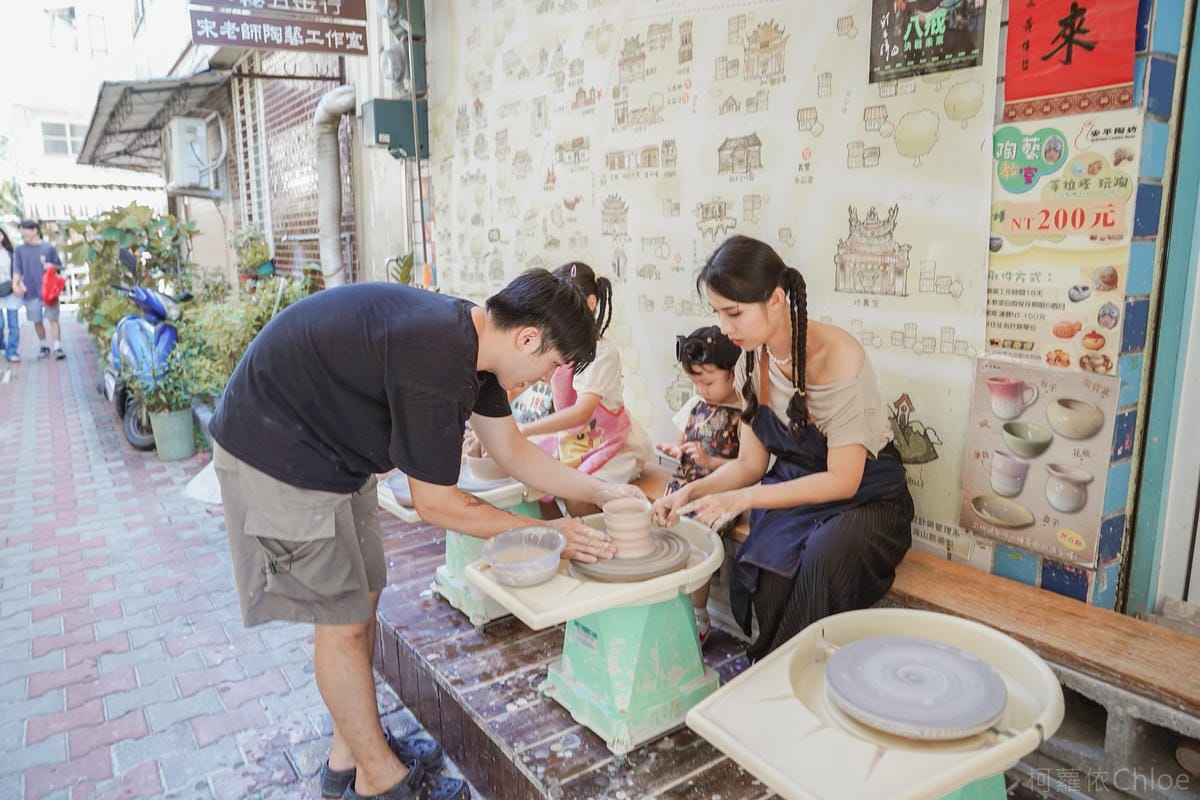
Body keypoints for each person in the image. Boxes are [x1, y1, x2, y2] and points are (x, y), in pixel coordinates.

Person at [209, 270, 643, 800]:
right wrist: (547, 534)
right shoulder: (438, 359)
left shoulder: (477, 347)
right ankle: (379, 781)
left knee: (364, 596)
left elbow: (512, 450)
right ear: (528, 338)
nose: (545, 379)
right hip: (276, 451)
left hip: (330, 451)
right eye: (552, 365)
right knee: (341, 623)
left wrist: (602, 492)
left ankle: (350, 756)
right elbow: (436, 503)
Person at [652, 236, 913, 662]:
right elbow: (750, 464)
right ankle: (775, 666)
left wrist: (743, 499)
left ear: (775, 299)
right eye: (718, 313)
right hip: (797, 485)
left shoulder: (839, 358)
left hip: (869, 496)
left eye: (734, 313)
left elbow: (843, 481)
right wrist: (688, 493)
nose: (724, 328)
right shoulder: (750, 360)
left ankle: (802, 675)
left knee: (821, 558)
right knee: (771, 562)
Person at [518, 261, 651, 516]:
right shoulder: (559, 349)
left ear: (590, 303)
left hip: (610, 444)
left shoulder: (603, 354)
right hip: (571, 442)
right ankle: (561, 533)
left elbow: (581, 413)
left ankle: (588, 533)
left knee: (577, 495)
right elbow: (523, 379)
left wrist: (525, 429)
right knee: (531, 481)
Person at [656, 325, 742, 643]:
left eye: (708, 382)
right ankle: (668, 603)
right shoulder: (696, 405)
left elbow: (748, 467)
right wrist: (674, 449)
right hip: (683, 483)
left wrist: (710, 462)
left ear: (734, 373)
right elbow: (682, 440)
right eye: (696, 383)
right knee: (665, 533)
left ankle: (698, 615)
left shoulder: (743, 413)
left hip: (718, 493)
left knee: (696, 545)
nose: (701, 390)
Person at [12, 220, 64, 359]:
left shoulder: (48, 248)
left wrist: (52, 266)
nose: (23, 234)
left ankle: (57, 347)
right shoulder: (19, 250)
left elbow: (59, 266)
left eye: (25, 231)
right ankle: (44, 345)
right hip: (30, 291)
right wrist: (15, 284)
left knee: (53, 318)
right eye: (22, 232)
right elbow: (17, 270)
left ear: (35, 230)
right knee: (37, 320)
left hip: (49, 291)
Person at [0, 230, 21, 362]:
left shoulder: (10, 253)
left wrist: (17, 284)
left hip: (10, 291)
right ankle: (1, 345)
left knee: (13, 324)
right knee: (0, 324)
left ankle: (12, 351)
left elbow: (17, 271)